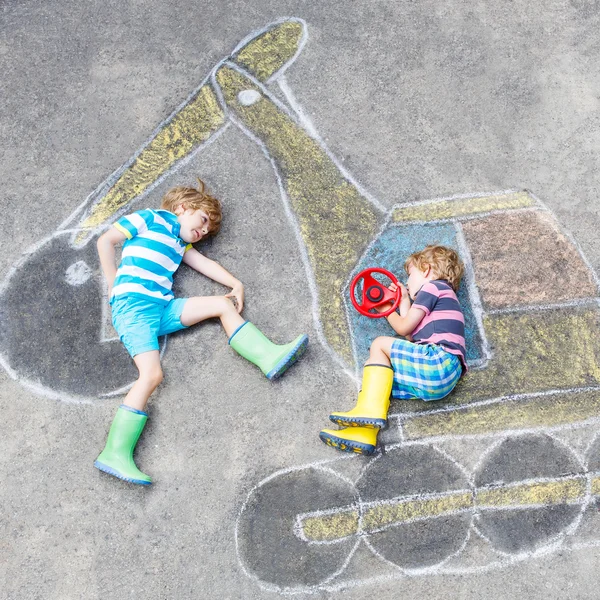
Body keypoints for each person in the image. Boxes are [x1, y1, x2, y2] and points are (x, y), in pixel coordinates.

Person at [94, 179, 308, 485]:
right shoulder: (150, 218)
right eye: (202, 220)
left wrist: (236, 285)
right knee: (152, 376)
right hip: (134, 308)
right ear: (182, 208)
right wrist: (113, 282)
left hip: (162, 309)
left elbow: (205, 263)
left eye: (206, 231)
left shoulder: (181, 244)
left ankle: (269, 356)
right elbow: (106, 241)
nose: (202, 231)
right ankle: (114, 453)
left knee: (222, 305)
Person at [320, 245, 466, 455]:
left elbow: (403, 327)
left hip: (437, 361)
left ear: (425, 269)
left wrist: (386, 308)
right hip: (443, 380)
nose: (407, 282)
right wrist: (403, 301)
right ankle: (363, 434)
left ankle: (368, 411)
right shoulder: (442, 298)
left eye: (410, 275)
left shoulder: (434, 288)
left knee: (379, 344)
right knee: (379, 382)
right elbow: (411, 335)